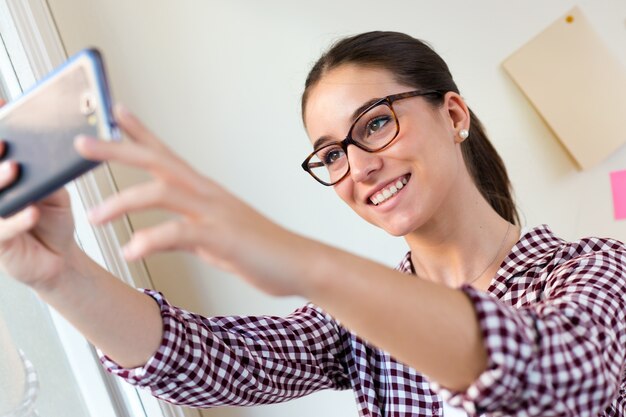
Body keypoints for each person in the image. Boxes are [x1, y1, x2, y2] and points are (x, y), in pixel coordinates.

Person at [0, 31, 624, 416]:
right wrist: (60, 272)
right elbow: (210, 359)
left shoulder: (594, 271)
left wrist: (298, 258)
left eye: (376, 122)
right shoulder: (356, 326)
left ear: (453, 114)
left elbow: (568, 381)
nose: (358, 166)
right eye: (331, 154)